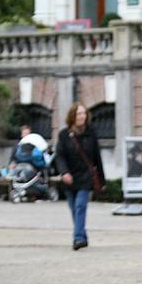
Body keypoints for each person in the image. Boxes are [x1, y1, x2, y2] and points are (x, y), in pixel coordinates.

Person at [55, 103, 105, 251]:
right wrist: (64, 172)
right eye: (78, 114)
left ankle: (78, 238)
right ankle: (82, 234)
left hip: (86, 177)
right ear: (72, 116)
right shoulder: (64, 135)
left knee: (80, 206)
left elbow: (97, 158)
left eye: (84, 113)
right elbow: (60, 157)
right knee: (74, 209)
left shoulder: (91, 133)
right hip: (70, 176)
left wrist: (102, 180)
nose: (82, 116)